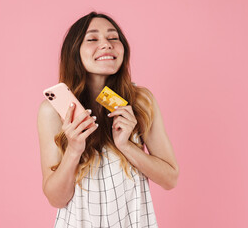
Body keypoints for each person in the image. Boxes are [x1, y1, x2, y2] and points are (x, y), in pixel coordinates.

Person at [37, 11, 179, 228]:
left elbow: (170, 179)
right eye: (92, 39)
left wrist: (126, 146)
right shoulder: (54, 111)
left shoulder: (140, 101)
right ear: (74, 51)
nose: (106, 44)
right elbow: (56, 199)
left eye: (114, 38)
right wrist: (74, 150)